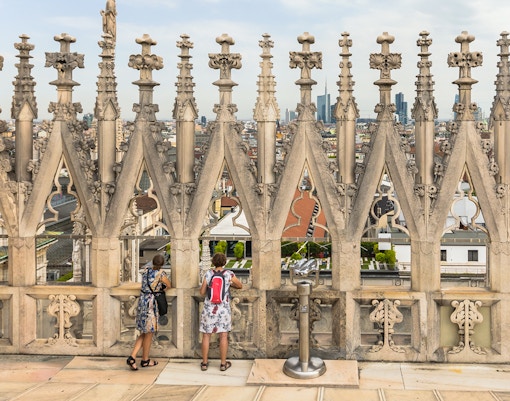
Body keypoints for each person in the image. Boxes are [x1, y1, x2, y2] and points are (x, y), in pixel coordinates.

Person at [126, 253, 171, 370]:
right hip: (151, 305)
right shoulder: (161, 274)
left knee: (144, 332)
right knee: (149, 333)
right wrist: (161, 289)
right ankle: (144, 360)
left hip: (142, 303)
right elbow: (169, 285)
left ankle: (132, 357)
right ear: (163, 264)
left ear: (152, 262)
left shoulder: (145, 271)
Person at [199, 252, 242, 371]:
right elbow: (240, 285)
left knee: (206, 335)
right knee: (223, 335)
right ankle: (223, 364)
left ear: (213, 262)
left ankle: (204, 363)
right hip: (223, 309)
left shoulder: (208, 274)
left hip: (209, 309)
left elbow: (202, 292)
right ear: (224, 262)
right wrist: (229, 285)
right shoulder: (229, 274)